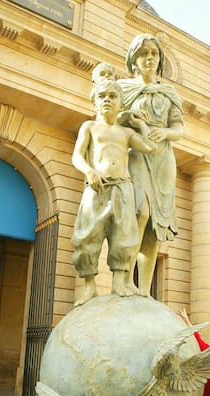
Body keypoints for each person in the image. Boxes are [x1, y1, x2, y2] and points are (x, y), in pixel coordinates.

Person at [71, 79, 157, 306]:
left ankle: (119, 281)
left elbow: (150, 147)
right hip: (97, 186)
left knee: (124, 235)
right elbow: (77, 156)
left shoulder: (126, 132)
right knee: (87, 235)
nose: (107, 100)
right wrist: (89, 171)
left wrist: (141, 125)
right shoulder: (89, 127)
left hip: (122, 187)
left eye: (112, 96)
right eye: (102, 96)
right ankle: (90, 287)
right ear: (95, 103)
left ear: (121, 104)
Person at [118, 33, 184, 296]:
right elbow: (108, 118)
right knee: (139, 212)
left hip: (162, 156)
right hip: (136, 152)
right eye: (144, 53)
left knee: (156, 227)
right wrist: (128, 116)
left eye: (154, 54)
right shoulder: (122, 88)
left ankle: (144, 290)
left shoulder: (169, 92)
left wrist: (166, 133)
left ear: (159, 60)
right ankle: (125, 280)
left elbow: (178, 127)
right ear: (134, 59)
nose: (149, 58)